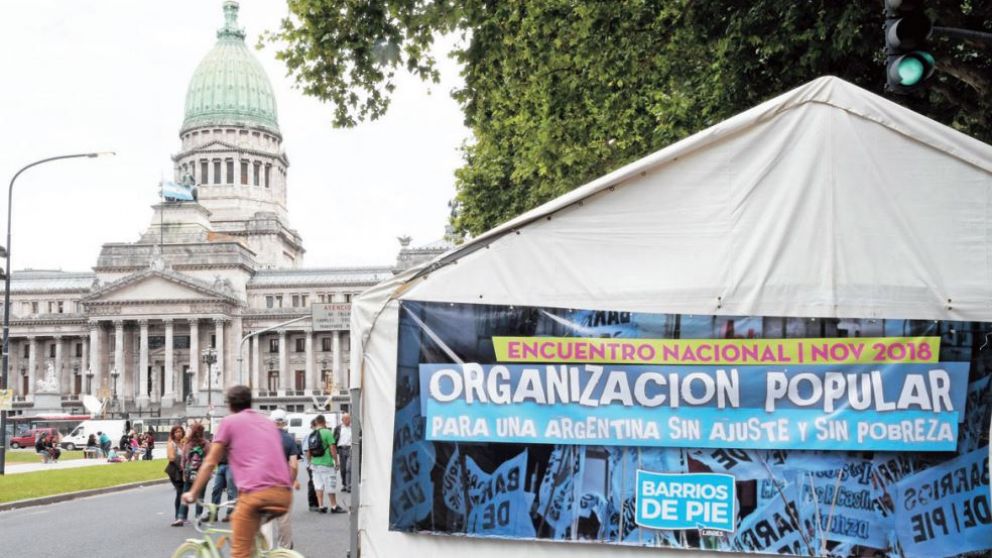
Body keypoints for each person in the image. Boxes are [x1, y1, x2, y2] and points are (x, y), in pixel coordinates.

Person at [183, 386, 292, 558]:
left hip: (256, 493)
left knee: (239, 551)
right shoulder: (267, 423)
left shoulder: (229, 422)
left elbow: (210, 461)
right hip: (284, 493)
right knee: (252, 541)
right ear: (250, 402)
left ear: (230, 405)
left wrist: (193, 492)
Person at [271, 409, 302, 549]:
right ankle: (284, 548)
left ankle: (265, 548)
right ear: (284, 423)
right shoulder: (289, 439)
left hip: (264, 483)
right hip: (282, 484)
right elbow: (294, 465)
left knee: (264, 518)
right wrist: (292, 480)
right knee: (283, 518)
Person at [307, 414, 344, 513]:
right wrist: (336, 461)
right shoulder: (327, 432)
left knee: (318, 485)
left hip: (315, 464)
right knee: (330, 484)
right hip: (326, 463)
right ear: (324, 422)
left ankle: (321, 506)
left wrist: (310, 462)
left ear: (316, 423)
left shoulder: (312, 434)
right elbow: (332, 448)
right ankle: (334, 506)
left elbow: (308, 451)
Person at [177, 423, 210, 525]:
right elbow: (209, 459)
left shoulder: (188, 444)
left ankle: (181, 517)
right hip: (202, 474)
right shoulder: (206, 444)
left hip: (189, 473)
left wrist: (183, 472)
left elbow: (184, 459)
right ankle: (198, 517)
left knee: (185, 494)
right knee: (200, 496)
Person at [167, 425, 186, 526]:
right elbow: (171, 458)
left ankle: (182, 516)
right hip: (175, 470)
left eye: (180, 431)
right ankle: (178, 516)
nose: (178, 433)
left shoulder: (183, 444)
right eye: (176, 432)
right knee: (180, 492)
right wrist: (181, 468)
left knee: (183, 492)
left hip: (183, 470)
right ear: (173, 433)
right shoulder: (172, 444)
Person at [210, 452, 238, 522]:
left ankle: (230, 514)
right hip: (221, 465)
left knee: (231, 491)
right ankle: (213, 513)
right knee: (216, 489)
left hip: (232, 465)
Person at [334, 413, 352, 492]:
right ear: (342, 420)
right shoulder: (338, 428)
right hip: (341, 450)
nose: (347, 421)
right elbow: (334, 440)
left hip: (350, 449)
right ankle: (344, 485)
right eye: (345, 419)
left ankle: (349, 486)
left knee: (349, 468)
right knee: (343, 469)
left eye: (348, 419)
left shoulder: (353, 428)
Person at [305, 420, 319, 512]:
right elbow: (307, 451)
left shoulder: (316, 435)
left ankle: (317, 503)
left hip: (317, 463)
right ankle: (312, 503)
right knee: (312, 482)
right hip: (311, 464)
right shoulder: (310, 436)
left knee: (317, 483)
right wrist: (310, 463)